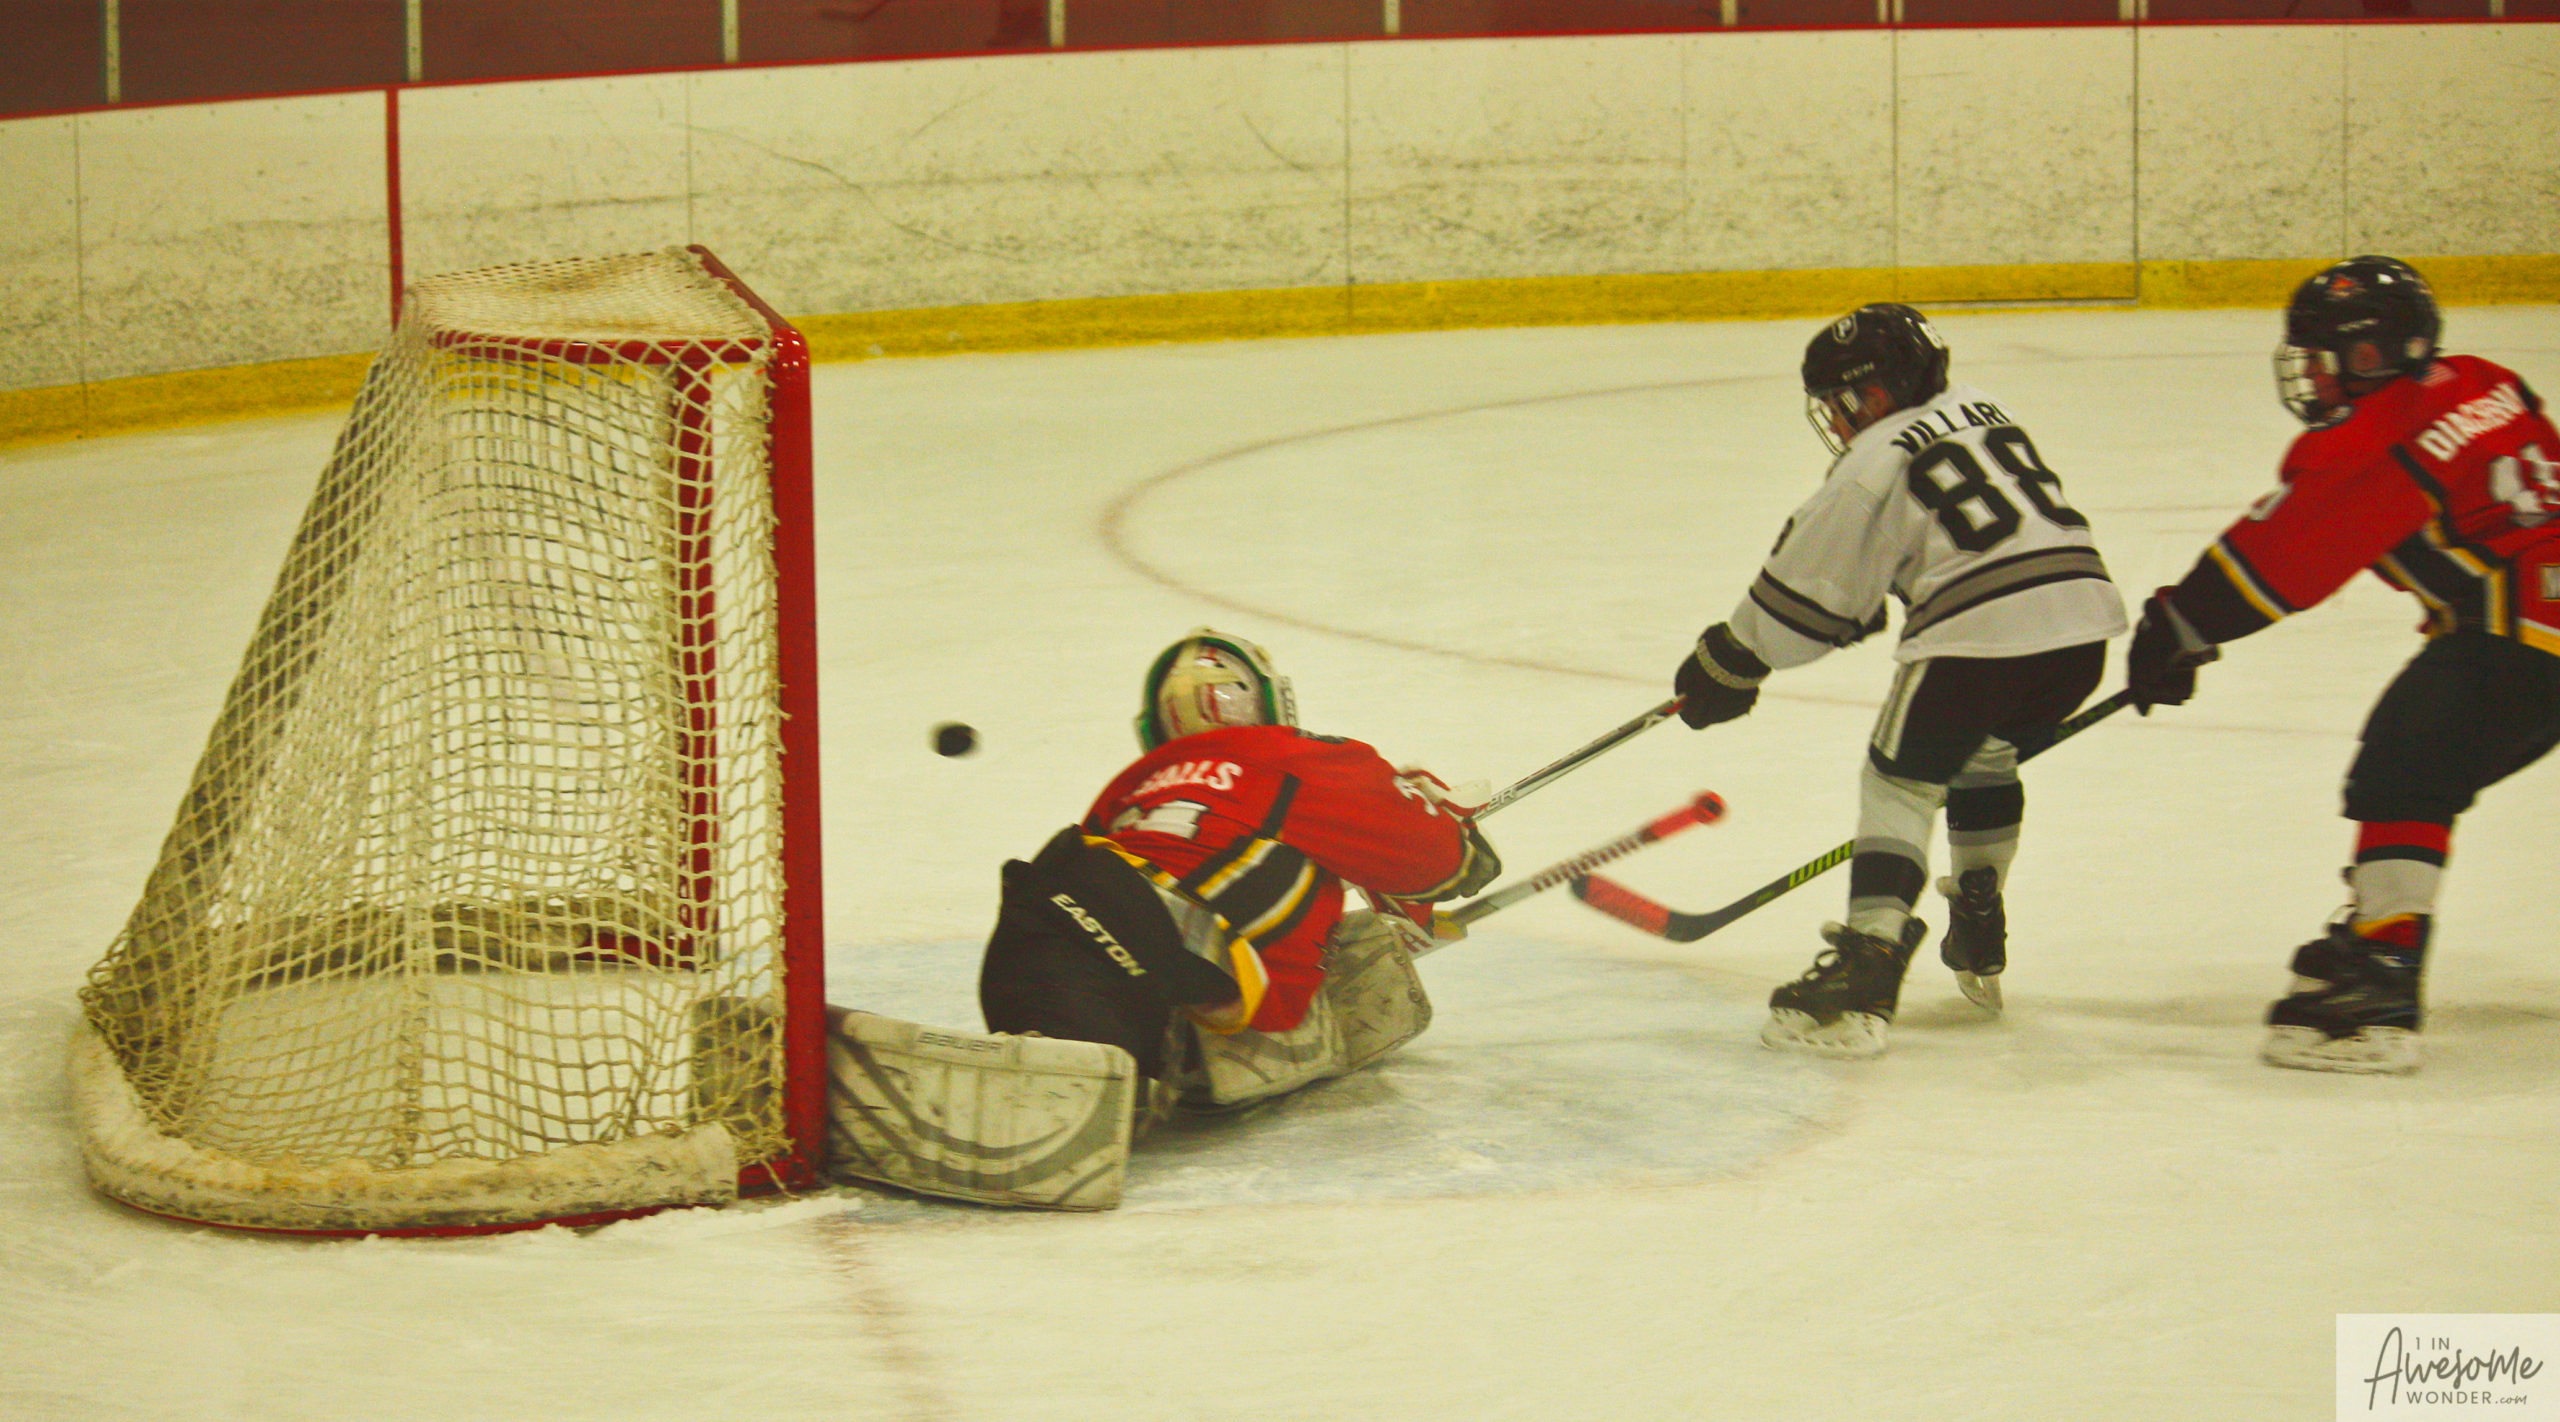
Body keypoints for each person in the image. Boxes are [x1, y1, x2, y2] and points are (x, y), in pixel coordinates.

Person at [826, 629, 1501, 1210]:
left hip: (1048, 911)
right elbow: (1444, 865)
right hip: (1166, 949)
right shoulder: (1301, 757)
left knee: (1093, 964)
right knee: (1134, 974)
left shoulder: (1135, 784)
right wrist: (1443, 824)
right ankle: (1111, 1068)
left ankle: (1089, 1057)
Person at [2125, 255, 2560, 1075]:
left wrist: (2177, 627)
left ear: (2369, 354)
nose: (2313, 376)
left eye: (2325, 357)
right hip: (2538, 618)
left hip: (2524, 630)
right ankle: (2377, 933)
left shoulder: (2380, 435)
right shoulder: (2482, 378)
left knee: (2405, 766)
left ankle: (2382, 976)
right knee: (2416, 764)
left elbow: (2283, 556)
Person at [1673, 303, 2127, 1058]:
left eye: (1840, 402)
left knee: (1900, 783)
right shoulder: (1986, 412)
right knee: (1985, 754)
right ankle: (1978, 911)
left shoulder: (1870, 461)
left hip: (1978, 640)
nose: (1836, 419)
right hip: (2082, 629)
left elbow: (1806, 591)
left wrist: (1731, 659)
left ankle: (1867, 967)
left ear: (1874, 394)